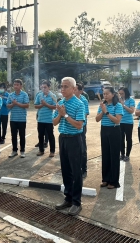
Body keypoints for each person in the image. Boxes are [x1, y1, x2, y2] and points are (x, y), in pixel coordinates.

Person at [53, 77, 85, 216]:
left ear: (73, 89)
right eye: (62, 86)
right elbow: (54, 123)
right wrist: (60, 114)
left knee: (76, 172)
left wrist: (64, 114)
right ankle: (68, 198)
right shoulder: (60, 103)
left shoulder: (79, 104)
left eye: (66, 86)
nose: (63, 89)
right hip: (63, 139)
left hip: (74, 139)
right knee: (65, 170)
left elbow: (79, 125)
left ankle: (77, 202)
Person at [96, 87, 123, 189]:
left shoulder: (118, 105)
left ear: (113, 94)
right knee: (105, 155)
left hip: (114, 131)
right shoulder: (103, 105)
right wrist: (102, 111)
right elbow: (97, 119)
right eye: (104, 94)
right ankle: (106, 179)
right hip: (104, 130)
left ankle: (114, 181)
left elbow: (117, 120)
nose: (105, 96)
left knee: (114, 156)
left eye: (107, 94)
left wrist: (106, 112)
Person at [7, 79, 30, 158]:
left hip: (21, 119)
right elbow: (8, 105)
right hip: (13, 118)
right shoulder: (11, 95)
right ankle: (14, 150)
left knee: (22, 135)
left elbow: (27, 105)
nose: (15, 86)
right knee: (13, 135)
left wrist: (17, 103)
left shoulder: (24, 94)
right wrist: (13, 104)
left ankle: (22, 151)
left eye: (17, 85)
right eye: (14, 85)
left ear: (21, 86)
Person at [34, 80, 57, 157]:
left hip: (49, 120)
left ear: (49, 88)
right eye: (42, 87)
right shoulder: (39, 95)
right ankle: (41, 150)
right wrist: (41, 105)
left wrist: (45, 104)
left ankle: (52, 151)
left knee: (50, 136)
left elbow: (55, 107)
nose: (44, 89)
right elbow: (35, 106)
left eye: (45, 87)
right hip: (40, 119)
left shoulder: (52, 96)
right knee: (40, 135)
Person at [74, 83, 89, 178]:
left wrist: (76, 122)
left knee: (82, 148)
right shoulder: (69, 99)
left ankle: (83, 169)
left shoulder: (83, 100)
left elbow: (85, 114)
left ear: (80, 91)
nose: (73, 91)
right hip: (72, 126)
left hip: (81, 126)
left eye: (75, 89)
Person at [118, 87, 135, 162]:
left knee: (128, 138)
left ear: (126, 93)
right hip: (120, 122)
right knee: (121, 138)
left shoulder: (131, 100)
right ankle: (122, 154)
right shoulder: (119, 100)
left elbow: (132, 111)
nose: (121, 95)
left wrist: (123, 105)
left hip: (128, 122)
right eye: (120, 93)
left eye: (122, 93)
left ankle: (127, 155)